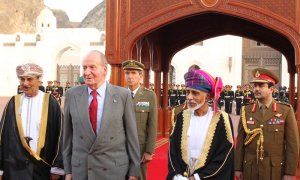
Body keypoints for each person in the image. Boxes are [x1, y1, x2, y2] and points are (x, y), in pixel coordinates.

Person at [63, 50, 140, 180]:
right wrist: (68, 170)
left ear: (105, 70)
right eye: (84, 67)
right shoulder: (72, 94)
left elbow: (132, 137)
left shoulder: (122, 96)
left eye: (92, 67)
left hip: (113, 170)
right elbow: (67, 137)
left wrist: (134, 171)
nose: (87, 72)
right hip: (82, 171)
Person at [167, 69, 234, 180]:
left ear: (207, 97)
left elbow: (224, 155)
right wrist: (178, 175)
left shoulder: (222, 119)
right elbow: (173, 151)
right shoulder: (181, 117)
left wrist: (198, 177)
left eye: (195, 93)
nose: (189, 97)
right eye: (187, 92)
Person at [0, 63, 63, 179]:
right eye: (22, 79)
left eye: (29, 79)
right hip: (14, 168)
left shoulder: (50, 102)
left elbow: (60, 134)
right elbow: (2, 135)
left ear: (39, 81)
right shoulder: (13, 102)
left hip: (42, 166)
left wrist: (57, 167)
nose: (25, 83)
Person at [235, 68, 299, 180]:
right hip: (250, 170)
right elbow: (240, 142)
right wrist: (238, 168)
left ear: (272, 89)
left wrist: (289, 172)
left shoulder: (285, 111)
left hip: (274, 171)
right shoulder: (246, 110)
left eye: (261, 86)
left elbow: (292, 145)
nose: (256, 89)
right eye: (255, 86)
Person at [122, 60, 158, 180]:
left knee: (138, 177)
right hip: (121, 146)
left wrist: (149, 151)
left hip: (140, 147)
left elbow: (152, 125)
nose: (130, 76)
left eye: (133, 73)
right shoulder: (119, 94)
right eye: (127, 73)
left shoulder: (149, 95)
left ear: (140, 76)